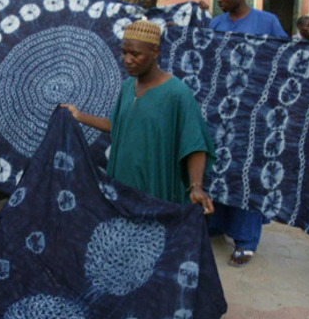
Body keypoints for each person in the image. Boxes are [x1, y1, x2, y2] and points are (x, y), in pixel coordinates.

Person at [61, 21, 215, 213]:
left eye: (135, 54)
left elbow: (194, 144)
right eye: (124, 52)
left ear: (155, 52)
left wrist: (196, 186)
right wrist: (79, 116)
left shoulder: (177, 93)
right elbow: (116, 125)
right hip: (123, 186)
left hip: (155, 189)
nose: (127, 59)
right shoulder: (127, 87)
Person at [208, 0, 288, 267]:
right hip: (222, 117)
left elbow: (285, 59)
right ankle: (216, 225)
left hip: (255, 118)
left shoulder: (267, 23)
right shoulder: (215, 24)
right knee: (219, 170)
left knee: (248, 176)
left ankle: (246, 241)